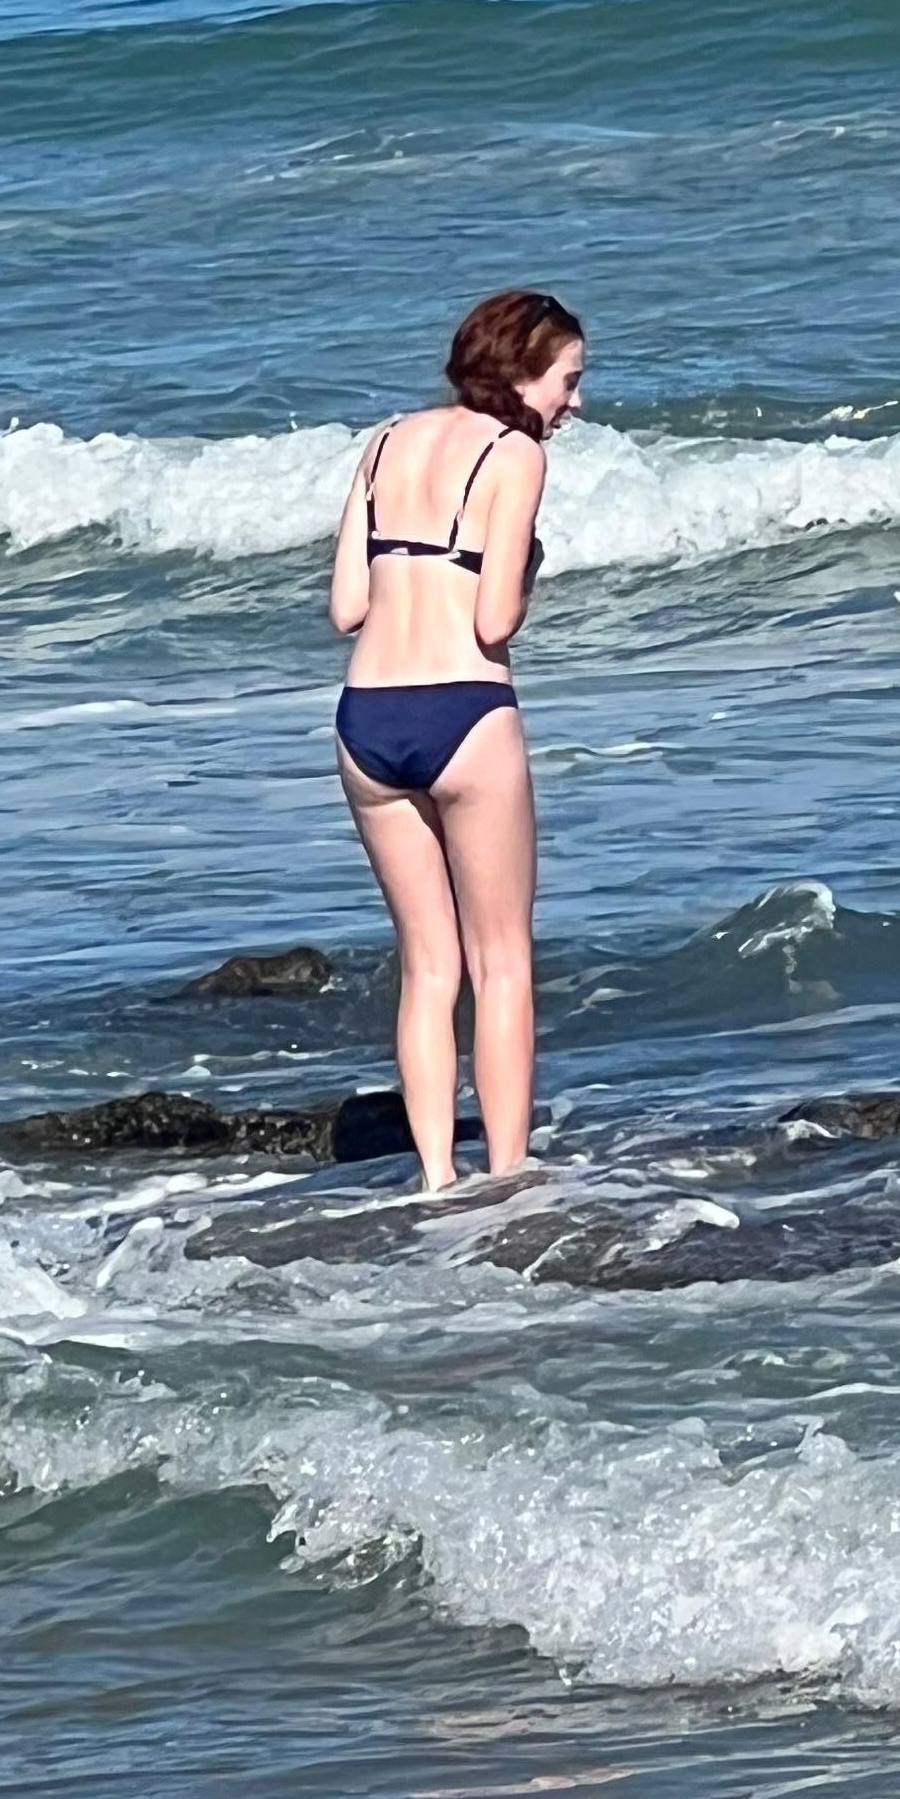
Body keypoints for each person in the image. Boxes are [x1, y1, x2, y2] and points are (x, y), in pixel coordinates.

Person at [327, 288, 585, 1190]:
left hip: (366, 720)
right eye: (568, 380)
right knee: (502, 959)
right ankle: (509, 1178)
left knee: (427, 963)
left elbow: (346, 608)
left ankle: (437, 1176)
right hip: (463, 711)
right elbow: (495, 618)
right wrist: (532, 563)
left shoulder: (387, 440)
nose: (574, 402)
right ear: (522, 372)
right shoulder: (514, 454)